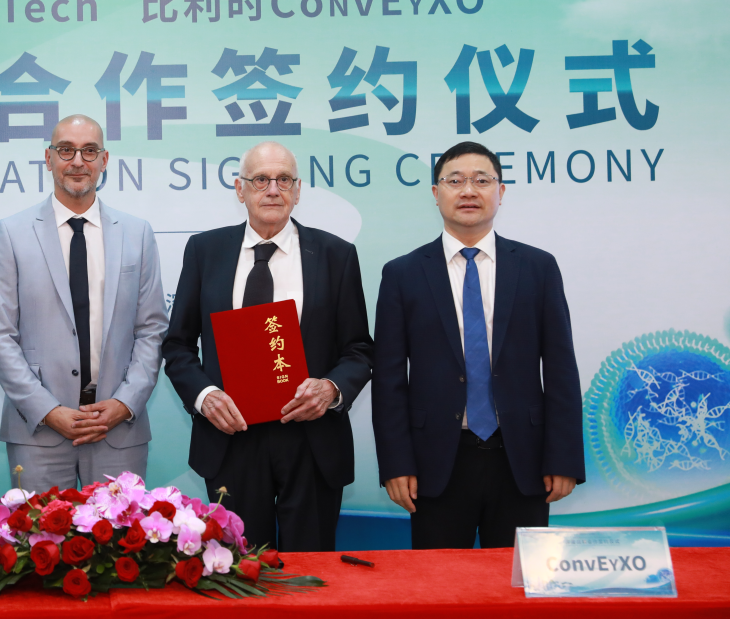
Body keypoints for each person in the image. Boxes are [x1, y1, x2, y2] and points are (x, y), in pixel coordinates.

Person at [161, 141, 372, 552]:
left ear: (298, 190)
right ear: (240, 189)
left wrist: (330, 389)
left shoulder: (336, 255)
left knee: (310, 571)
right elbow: (178, 345)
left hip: (311, 441)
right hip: (231, 437)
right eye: (260, 179)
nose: (273, 190)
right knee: (237, 570)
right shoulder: (205, 251)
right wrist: (205, 396)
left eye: (284, 180)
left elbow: (359, 349)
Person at [371, 141, 584, 549]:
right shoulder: (403, 274)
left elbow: (561, 368)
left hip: (522, 460)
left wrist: (564, 457)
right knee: (439, 581)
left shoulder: (537, 268)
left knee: (518, 581)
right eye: (455, 181)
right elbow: (389, 380)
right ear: (436, 193)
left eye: (481, 180)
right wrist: (396, 464)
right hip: (436, 463)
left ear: (500, 192)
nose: (468, 190)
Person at [0, 114, 168, 491]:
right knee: (39, 532)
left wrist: (124, 404)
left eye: (89, 151)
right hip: (38, 431)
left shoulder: (137, 233)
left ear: (105, 160)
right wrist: (47, 410)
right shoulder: (13, 232)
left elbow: (152, 329)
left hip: (118, 430)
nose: (78, 161)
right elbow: (0, 334)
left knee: (121, 532)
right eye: (66, 150)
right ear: (48, 158)